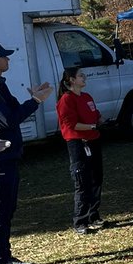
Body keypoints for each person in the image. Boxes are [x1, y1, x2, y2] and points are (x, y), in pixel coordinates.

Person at [0, 42, 52, 264]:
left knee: (7, 209)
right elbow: (8, 119)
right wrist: (35, 101)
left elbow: (12, 113)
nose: (7, 60)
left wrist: (31, 101)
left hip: (9, 157)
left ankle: (5, 257)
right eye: (3, 57)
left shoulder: (1, 84)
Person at [56, 67, 105, 235]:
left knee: (96, 178)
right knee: (82, 181)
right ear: (71, 80)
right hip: (78, 143)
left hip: (93, 141)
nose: (84, 78)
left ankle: (94, 215)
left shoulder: (86, 97)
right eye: (80, 75)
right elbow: (70, 124)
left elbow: (95, 113)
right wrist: (92, 126)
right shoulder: (66, 99)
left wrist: (100, 119)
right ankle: (80, 221)